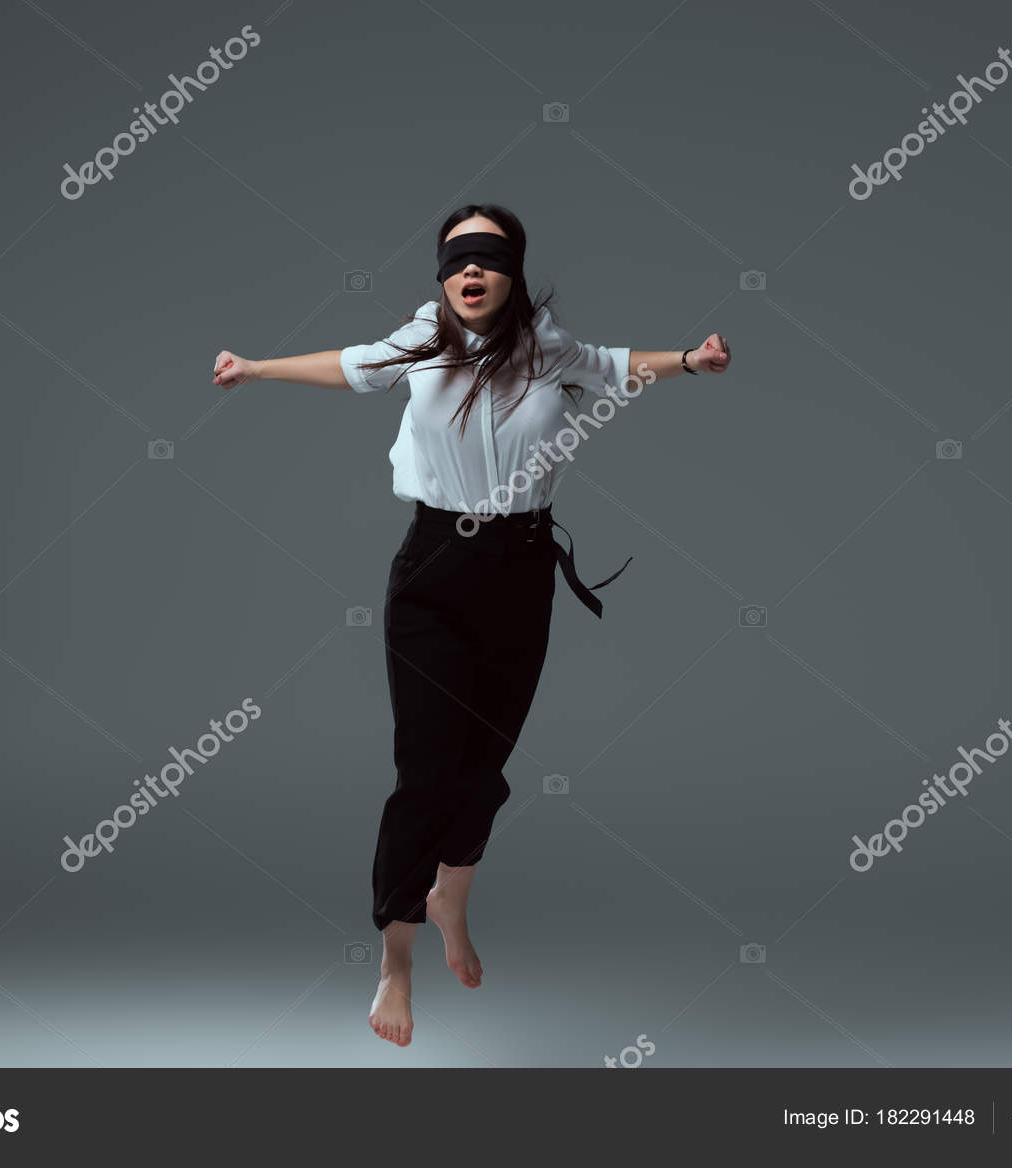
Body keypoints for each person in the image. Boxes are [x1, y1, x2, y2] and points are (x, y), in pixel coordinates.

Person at [213, 203, 730, 1046]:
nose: (472, 271)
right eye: (459, 259)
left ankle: (452, 894)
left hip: (521, 573)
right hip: (433, 572)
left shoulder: (548, 350)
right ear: (444, 275)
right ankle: (396, 959)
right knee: (426, 769)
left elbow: (615, 364)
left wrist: (690, 361)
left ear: (512, 271)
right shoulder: (416, 344)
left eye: (489, 258)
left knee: (485, 766)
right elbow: (345, 366)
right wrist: (258, 367)